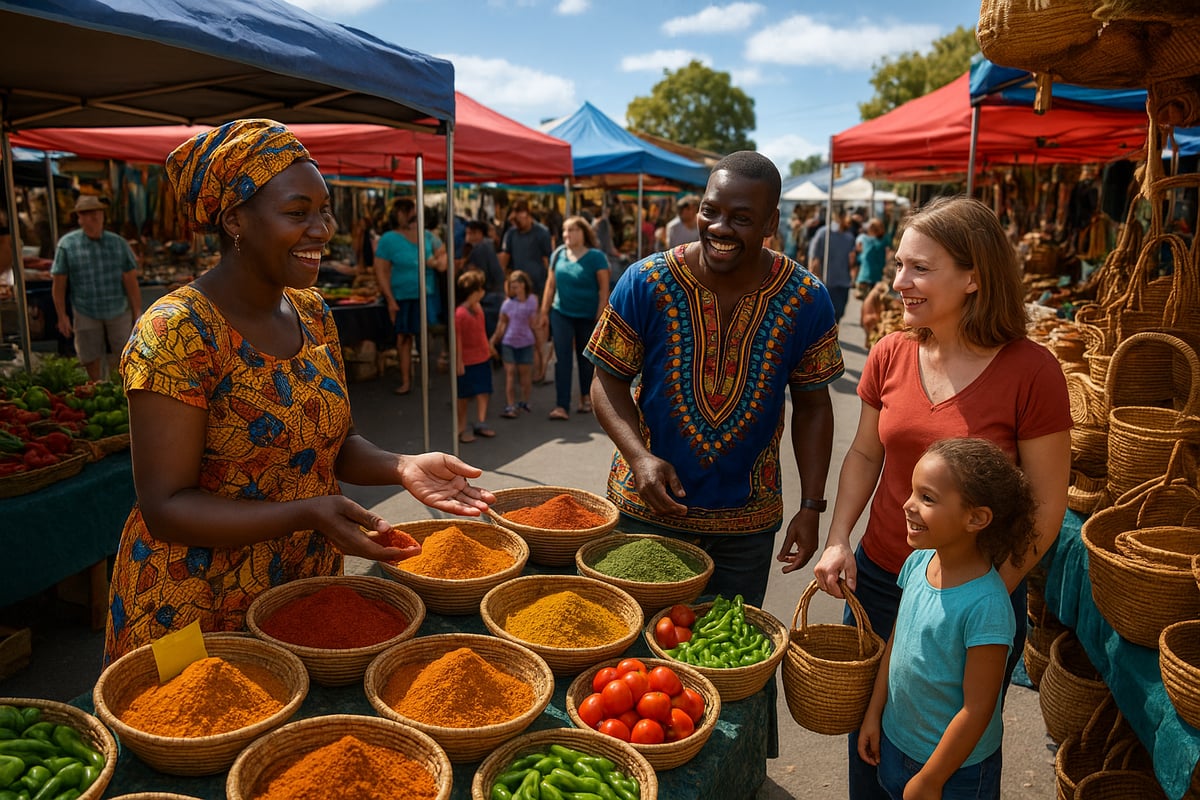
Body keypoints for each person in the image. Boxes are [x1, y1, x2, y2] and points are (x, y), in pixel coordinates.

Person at [103, 119, 494, 664]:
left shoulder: (311, 312)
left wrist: (401, 466)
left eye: (324, 209)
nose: (322, 228)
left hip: (301, 583)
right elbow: (166, 507)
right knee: (198, 739)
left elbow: (338, 441)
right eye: (297, 212)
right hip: (192, 599)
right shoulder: (177, 331)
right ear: (235, 219)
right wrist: (307, 513)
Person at [811, 195, 1071, 800]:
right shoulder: (890, 353)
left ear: (974, 275)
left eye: (919, 269)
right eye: (899, 265)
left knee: (952, 752)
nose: (899, 281)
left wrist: (983, 592)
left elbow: (1047, 504)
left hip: (976, 596)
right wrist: (838, 540)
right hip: (878, 577)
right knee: (872, 735)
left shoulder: (1033, 372)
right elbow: (865, 455)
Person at [586, 151, 844, 610]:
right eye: (711, 211)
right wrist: (639, 457)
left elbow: (813, 405)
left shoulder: (807, 297)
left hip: (746, 525)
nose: (720, 228)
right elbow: (606, 382)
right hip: (648, 509)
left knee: (727, 660)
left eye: (741, 218)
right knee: (633, 662)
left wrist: (812, 505)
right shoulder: (645, 281)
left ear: (771, 222)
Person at [859, 437, 1036, 800]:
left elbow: (978, 709)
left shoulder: (987, 606)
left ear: (976, 518)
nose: (907, 505)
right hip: (895, 745)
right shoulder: (918, 563)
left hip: (955, 774)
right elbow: (897, 644)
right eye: (912, 492)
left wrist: (931, 779)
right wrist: (874, 714)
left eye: (927, 498)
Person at [51, 194, 142, 380]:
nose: (93, 217)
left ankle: (123, 394)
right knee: (89, 357)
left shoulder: (118, 243)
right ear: (79, 218)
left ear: (103, 215)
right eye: (87, 214)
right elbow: (59, 283)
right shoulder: (67, 245)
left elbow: (130, 280)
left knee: (126, 355)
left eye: (97, 213)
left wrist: (137, 312)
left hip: (117, 309)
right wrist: (61, 316)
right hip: (85, 310)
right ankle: (97, 388)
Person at [374, 197, 448, 395]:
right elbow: (381, 270)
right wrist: (390, 299)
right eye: (405, 211)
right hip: (402, 296)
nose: (409, 216)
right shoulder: (389, 239)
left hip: (426, 295)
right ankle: (407, 380)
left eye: (411, 211)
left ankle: (425, 377)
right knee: (404, 338)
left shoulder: (428, 237)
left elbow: (444, 258)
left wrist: (436, 260)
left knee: (425, 336)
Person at [542, 215, 610, 421]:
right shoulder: (558, 254)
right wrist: (542, 313)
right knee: (562, 358)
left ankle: (585, 398)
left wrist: (600, 316)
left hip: (588, 316)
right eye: (564, 230)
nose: (566, 234)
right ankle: (561, 405)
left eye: (571, 230)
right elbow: (550, 285)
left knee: (586, 360)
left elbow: (603, 289)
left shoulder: (596, 257)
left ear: (583, 232)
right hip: (561, 313)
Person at [499, 200, 553, 381]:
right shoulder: (511, 233)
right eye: (514, 218)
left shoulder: (542, 232)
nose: (517, 221)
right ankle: (525, 372)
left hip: (537, 288)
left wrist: (548, 289)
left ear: (527, 214)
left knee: (537, 332)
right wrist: (506, 285)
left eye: (520, 216)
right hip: (517, 290)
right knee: (518, 330)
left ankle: (541, 370)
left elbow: (548, 262)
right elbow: (505, 260)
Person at [454, 269, 495, 443]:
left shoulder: (478, 309)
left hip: (482, 357)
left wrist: (489, 349)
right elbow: (457, 340)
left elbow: (481, 332)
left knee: (484, 391)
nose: (483, 291)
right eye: (481, 288)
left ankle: (481, 422)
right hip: (468, 360)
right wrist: (458, 362)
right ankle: (461, 427)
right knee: (463, 396)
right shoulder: (460, 314)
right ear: (475, 291)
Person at [492, 270, 538, 419]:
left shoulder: (532, 300)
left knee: (525, 376)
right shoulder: (507, 304)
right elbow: (501, 325)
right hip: (509, 342)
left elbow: (534, 323)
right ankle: (510, 405)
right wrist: (492, 341)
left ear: (524, 285)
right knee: (510, 374)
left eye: (517, 286)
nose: (514, 290)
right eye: (512, 287)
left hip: (526, 342)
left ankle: (524, 401)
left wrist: (539, 343)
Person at [807, 210, 856, 323]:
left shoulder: (849, 237)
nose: (850, 220)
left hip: (843, 282)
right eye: (847, 216)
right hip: (827, 281)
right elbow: (814, 257)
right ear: (840, 217)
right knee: (827, 315)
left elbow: (852, 261)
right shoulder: (824, 233)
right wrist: (814, 277)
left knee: (838, 313)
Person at [462, 219, 506, 339]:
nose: (467, 237)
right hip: (495, 294)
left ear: (478, 233)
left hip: (490, 297)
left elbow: (481, 275)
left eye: (469, 233)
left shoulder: (480, 249)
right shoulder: (487, 246)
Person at [855, 217, 887, 300]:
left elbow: (859, 250)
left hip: (864, 277)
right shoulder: (884, 241)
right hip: (876, 277)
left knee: (866, 304)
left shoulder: (864, 239)